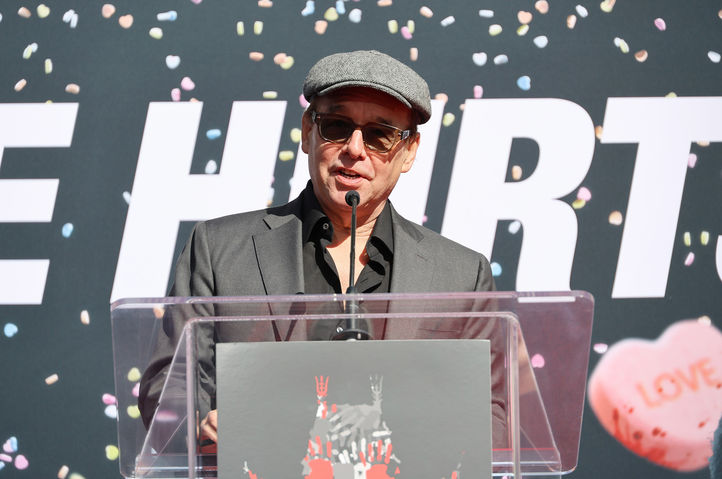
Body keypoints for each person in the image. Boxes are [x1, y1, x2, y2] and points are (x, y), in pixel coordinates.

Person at [138, 50, 500, 451]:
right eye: (337, 127)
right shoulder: (218, 248)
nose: (355, 149)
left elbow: (495, 414)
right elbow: (169, 388)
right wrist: (200, 425)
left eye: (379, 135)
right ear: (308, 131)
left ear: (409, 151)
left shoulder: (462, 274)